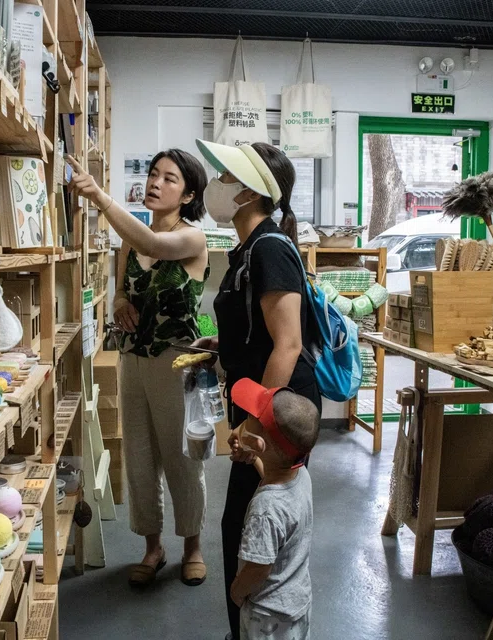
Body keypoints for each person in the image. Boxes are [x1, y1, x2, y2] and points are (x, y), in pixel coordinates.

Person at [192, 139, 322, 639]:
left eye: (225, 177)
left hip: (277, 414)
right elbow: (260, 331)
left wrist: (252, 427)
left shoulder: (269, 247)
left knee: (249, 526)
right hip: (261, 405)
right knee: (247, 523)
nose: (216, 185)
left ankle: (253, 626)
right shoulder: (249, 248)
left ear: (249, 192)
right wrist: (222, 347)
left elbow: (287, 345)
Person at [68, 150, 211, 587]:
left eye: (169, 179)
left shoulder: (192, 239)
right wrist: (119, 302)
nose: (155, 182)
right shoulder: (130, 238)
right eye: (153, 174)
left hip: (177, 360)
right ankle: (153, 546)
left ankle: (192, 546)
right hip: (133, 355)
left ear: (187, 195)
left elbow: (155, 246)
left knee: (183, 456)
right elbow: (117, 291)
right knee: (139, 456)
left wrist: (99, 198)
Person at [229, 378, 318, 640]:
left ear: (258, 442)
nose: (247, 417)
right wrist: (255, 458)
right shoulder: (300, 475)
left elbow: (259, 567)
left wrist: (237, 590)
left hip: (266, 615)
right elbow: (273, 473)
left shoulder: (265, 509)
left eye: (251, 417)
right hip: (295, 603)